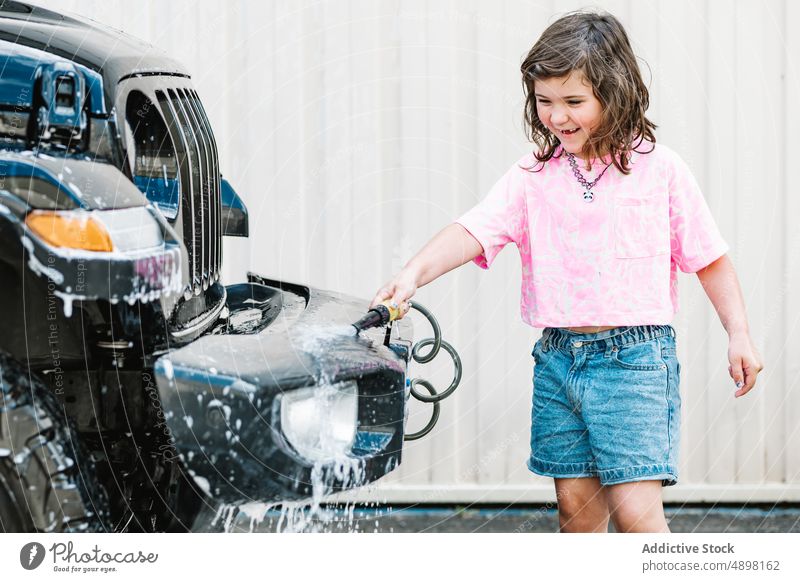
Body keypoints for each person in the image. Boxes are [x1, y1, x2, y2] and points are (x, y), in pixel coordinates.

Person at [370, 10, 764, 533]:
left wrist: (738, 333)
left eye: (574, 101)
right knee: (575, 515)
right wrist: (414, 272)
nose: (557, 116)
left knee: (637, 519)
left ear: (615, 93)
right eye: (545, 101)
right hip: (558, 360)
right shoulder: (532, 176)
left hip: (634, 362)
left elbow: (709, 258)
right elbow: (474, 229)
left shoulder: (660, 170)